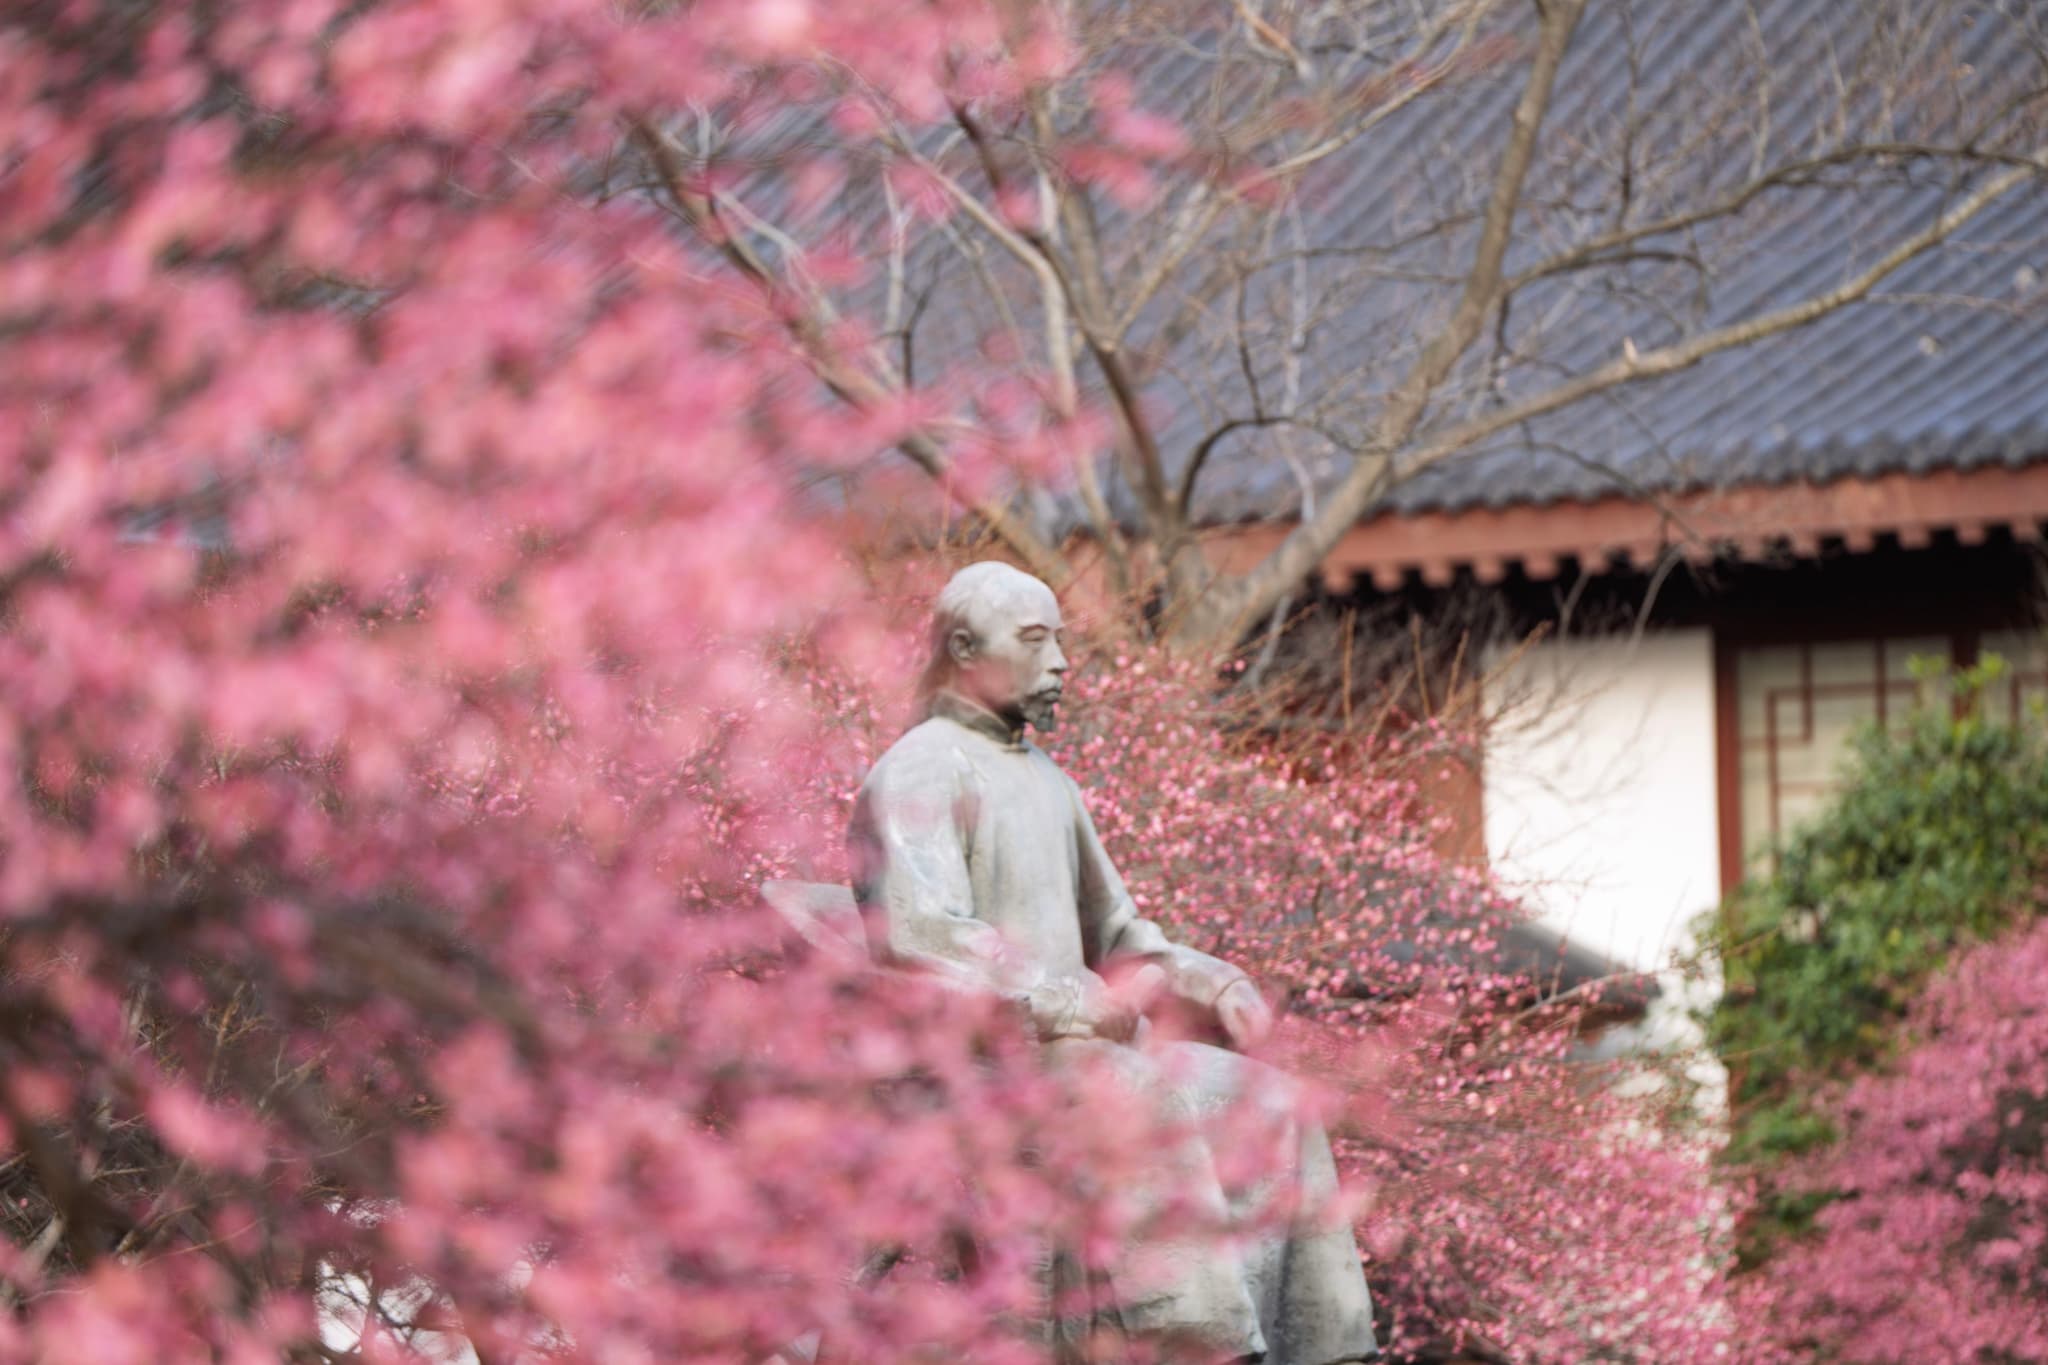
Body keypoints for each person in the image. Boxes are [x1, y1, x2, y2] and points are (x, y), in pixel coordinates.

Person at [848, 561, 1378, 1364]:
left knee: (1271, 1099)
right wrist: (1058, 998)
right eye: (1035, 640)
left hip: (1079, 1047)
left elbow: (1118, 931)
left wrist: (1212, 980)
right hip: (983, 1060)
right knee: (1133, 1090)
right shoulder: (920, 769)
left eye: (1060, 640)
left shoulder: (1048, 781)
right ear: (963, 647)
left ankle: (1323, 1344)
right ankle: (1192, 1337)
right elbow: (920, 935)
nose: (1060, 662)